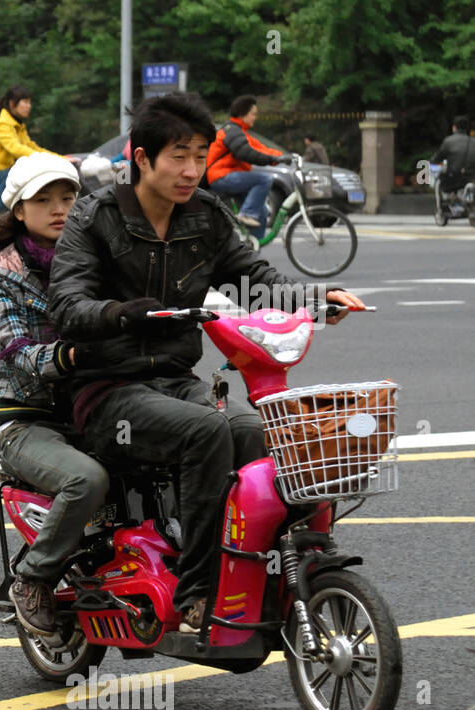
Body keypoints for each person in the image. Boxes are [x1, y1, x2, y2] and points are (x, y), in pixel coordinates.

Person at [48, 92, 365, 633]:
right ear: (141, 158)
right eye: (178, 155)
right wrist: (121, 313)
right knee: (207, 433)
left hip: (176, 379)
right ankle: (197, 593)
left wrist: (316, 300)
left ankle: (273, 575)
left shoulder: (207, 215)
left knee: (264, 433)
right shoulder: (96, 215)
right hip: (106, 391)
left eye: (200, 154)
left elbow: (256, 277)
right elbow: (66, 304)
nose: (192, 169)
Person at [0, 152, 108, 635]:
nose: (59, 208)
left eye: (68, 197)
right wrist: (68, 357)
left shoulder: (97, 255)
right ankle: (33, 577)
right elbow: (16, 350)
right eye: (43, 200)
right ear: (19, 211)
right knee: (86, 481)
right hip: (31, 420)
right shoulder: (0, 272)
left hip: (104, 407)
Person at [205, 95, 292, 232]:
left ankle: (253, 247)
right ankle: (246, 214)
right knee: (264, 179)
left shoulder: (241, 132)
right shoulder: (232, 131)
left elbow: (260, 149)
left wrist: (282, 157)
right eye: (253, 114)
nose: (255, 117)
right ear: (242, 114)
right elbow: (246, 153)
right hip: (221, 177)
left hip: (232, 176)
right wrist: (274, 160)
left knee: (261, 212)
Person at [0, 86, 60, 214]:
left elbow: (32, 148)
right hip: (1, 177)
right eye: (25, 102)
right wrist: (46, 160)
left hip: (12, 175)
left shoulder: (19, 126)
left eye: (30, 102)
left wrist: (60, 159)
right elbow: (15, 148)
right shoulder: (0, 124)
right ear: (12, 104)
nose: (29, 106)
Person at [431, 115, 475, 195]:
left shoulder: (449, 141)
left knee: (439, 177)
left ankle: (444, 203)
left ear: (454, 127)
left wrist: (432, 161)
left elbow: (438, 158)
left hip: (453, 179)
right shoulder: (473, 141)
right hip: (471, 177)